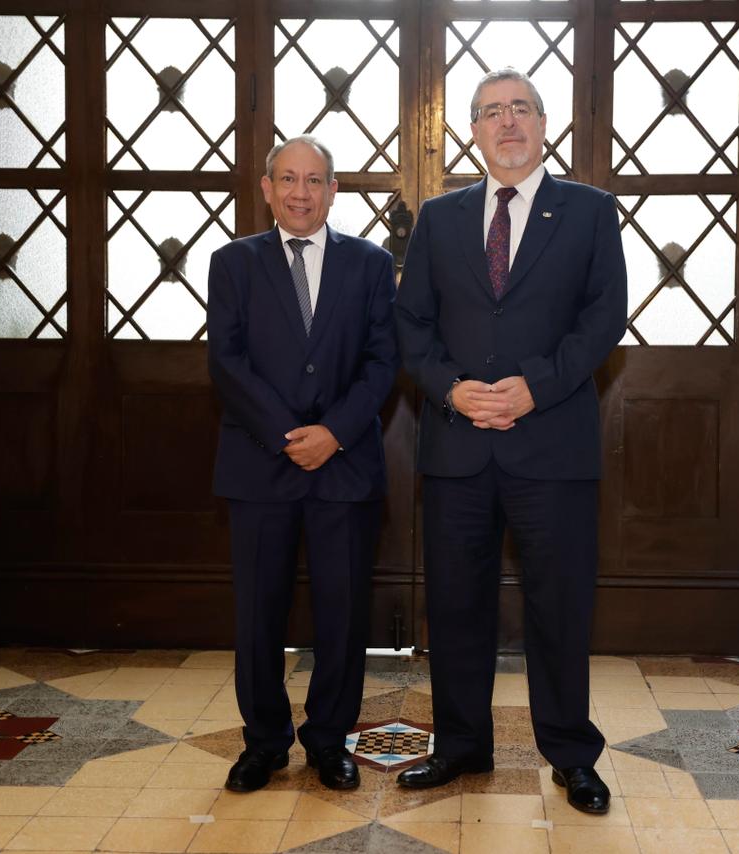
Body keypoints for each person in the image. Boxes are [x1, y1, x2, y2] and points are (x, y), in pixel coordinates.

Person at [394, 69, 628, 814]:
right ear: (473, 130)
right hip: (458, 443)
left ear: (543, 122)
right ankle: (460, 745)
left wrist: (536, 385)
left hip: (552, 444)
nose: (507, 122)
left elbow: (604, 317)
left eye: (520, 108)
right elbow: (411, 324)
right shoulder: (440, 217)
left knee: (558, 606)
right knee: (456, 604)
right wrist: (451, 388)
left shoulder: (590, 211)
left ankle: (572, 756)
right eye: (491, 111)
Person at [208, 135, 399, 793]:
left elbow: (382, 362)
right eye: (287, 179)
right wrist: (288, 434)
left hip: (344, 468)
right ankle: (264, 743)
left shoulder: (371, 264)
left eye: (314, 180)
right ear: (266, 188)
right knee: (258, 612)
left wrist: (334, 433)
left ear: (333, 191)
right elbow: (226, 361)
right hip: (260, 464)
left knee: (342, 613)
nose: (300, 192)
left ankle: (328, 742)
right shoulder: (232, 263)